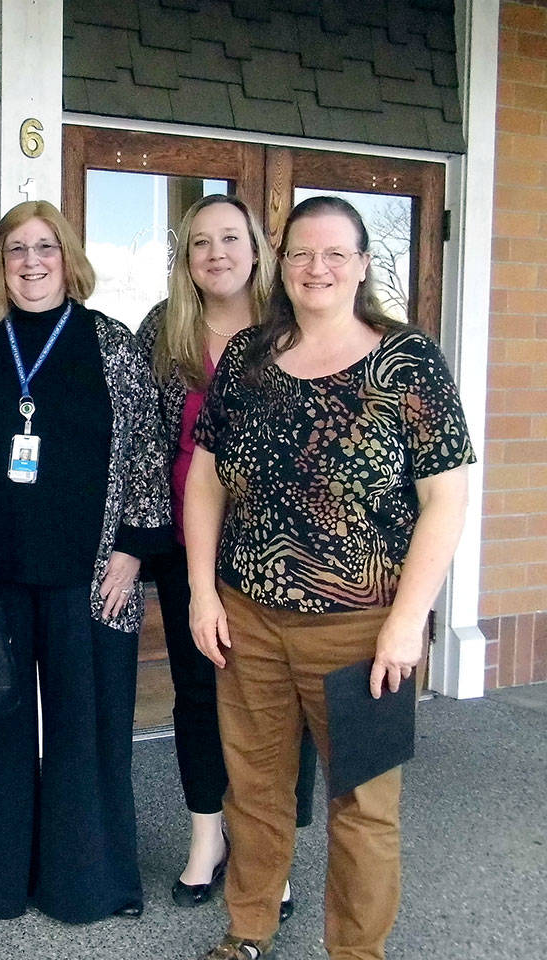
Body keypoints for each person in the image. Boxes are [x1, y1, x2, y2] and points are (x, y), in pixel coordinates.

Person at [184, 196, 473, 960]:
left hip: (363, 628)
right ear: (281, 263)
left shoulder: (407, 360)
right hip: (248, 618)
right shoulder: (247, 356)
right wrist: (202, 589)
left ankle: (356, 952)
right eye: (303, 253)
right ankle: (248, 929)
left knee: (364, 806)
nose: (317, 268)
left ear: (363, 265)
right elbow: (206, 479)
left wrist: (408, 624)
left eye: (335, 254)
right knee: (254, 788)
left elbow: (446, 497)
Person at [0, 200, 170, 923]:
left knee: (88, 732)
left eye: (46, 248)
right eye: (15, 250)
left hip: (92, 575)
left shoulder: (111, 342)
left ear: (69, 258)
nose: (31, 263)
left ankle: (88, 884)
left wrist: (132, 551)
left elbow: (147, 455)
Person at [134, 194, 316, 916]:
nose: (216, 253)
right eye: (200, 242)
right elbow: (143, 441)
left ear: (256, 250)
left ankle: (272, 855)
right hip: (190, 547)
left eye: (230, 239)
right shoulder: (163, 329)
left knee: (282, 705)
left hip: (280, 552)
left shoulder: (293, 329)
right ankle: (207, 837)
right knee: (201, 694)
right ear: (187, 258)